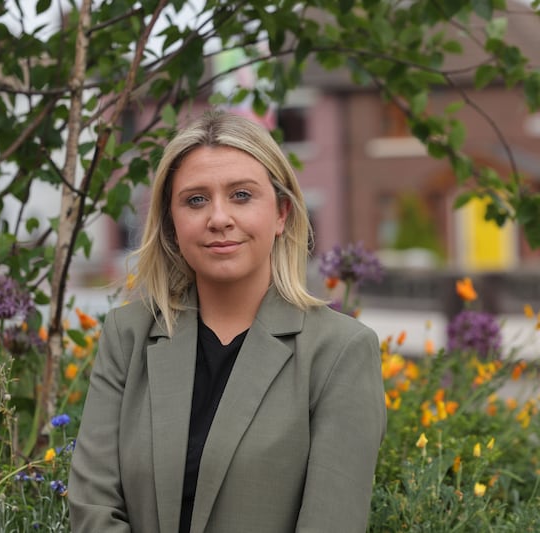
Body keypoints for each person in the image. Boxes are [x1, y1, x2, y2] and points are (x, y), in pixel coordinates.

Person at [68, 109, 386, 533]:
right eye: (196, 200)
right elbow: (93, 508)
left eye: (241, 195)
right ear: (171, 223)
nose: (219, 218)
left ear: (282, 214)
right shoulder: (127, 336)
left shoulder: (340, 352)